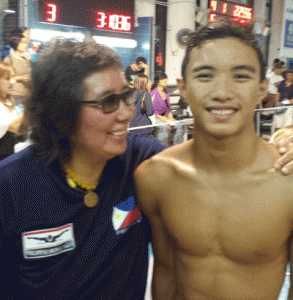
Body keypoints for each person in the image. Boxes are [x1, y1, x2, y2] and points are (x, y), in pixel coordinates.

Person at [134, 20, 293, 300]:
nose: (222, 93)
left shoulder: (287, 179)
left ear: (262, 88)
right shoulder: (156, 177)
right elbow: (165, 272)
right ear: (182, 88)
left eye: (241, 76)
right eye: (205, 76)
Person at [0, 38, 166, 299]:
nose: (125, 114)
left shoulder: (139, 160)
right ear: (60, 114)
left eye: (125, 96)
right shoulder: (11, 187)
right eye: (108, 102)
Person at [151, 72, 184, 147]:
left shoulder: (166, 93)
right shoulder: (153, 93)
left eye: (165, 78)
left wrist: (171, 119)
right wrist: (166, 121)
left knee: (179, 125)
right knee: (164, 127)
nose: (165, 80)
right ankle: (162, 150)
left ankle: (177, 148)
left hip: (165, 117)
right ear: (157, 82)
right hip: (155, 117)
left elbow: (168, 109)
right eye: (162, 79)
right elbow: (153, 112)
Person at [0, 61, 24, 161]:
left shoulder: (10, 102)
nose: (12, 82)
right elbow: (10, 127)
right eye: (7, 79)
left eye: (12, 78)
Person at [3, 33, 31, 108]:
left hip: (26, 94)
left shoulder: (26, 60)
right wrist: (20, 78)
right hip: (14, 94)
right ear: (16, 43)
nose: (25, 45)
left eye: (26, 43)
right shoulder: (9, 59)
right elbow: (4, 79)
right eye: (23, 42)